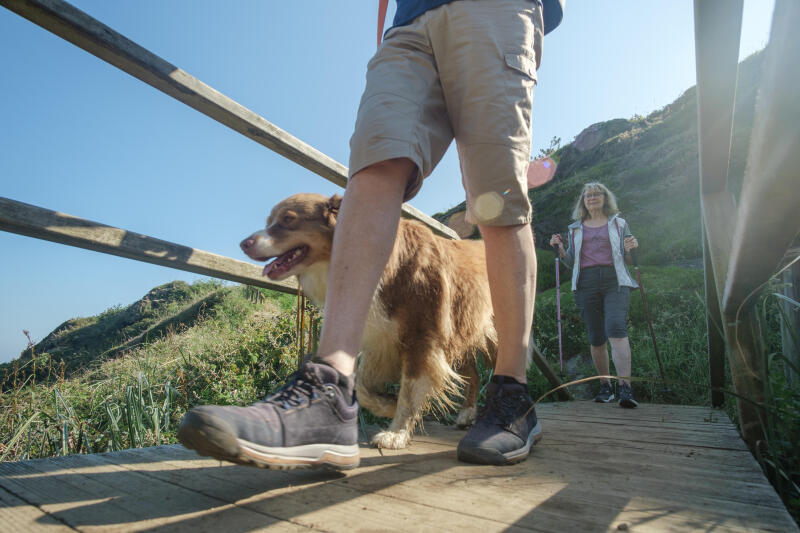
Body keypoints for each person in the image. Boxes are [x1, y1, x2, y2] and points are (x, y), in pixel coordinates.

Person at [177, 0, 565, 469]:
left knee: (495, 193)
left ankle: (512, 396)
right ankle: (329, 393)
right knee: (372, 169)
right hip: (409, 21)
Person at [549, 182, 640, 408]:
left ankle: (625, 388)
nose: (592, 197)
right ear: (583, 201)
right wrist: (560, 249)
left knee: (616, 328)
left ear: (605, 198)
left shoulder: (620, 223)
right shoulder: (575, 228)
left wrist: (632, 249)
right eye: (588, 195)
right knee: (596, 336)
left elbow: (629, 259)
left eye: (597, 194)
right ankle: (605, 386)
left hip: (615, 280)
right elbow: (571, 261)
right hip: (585, 283)